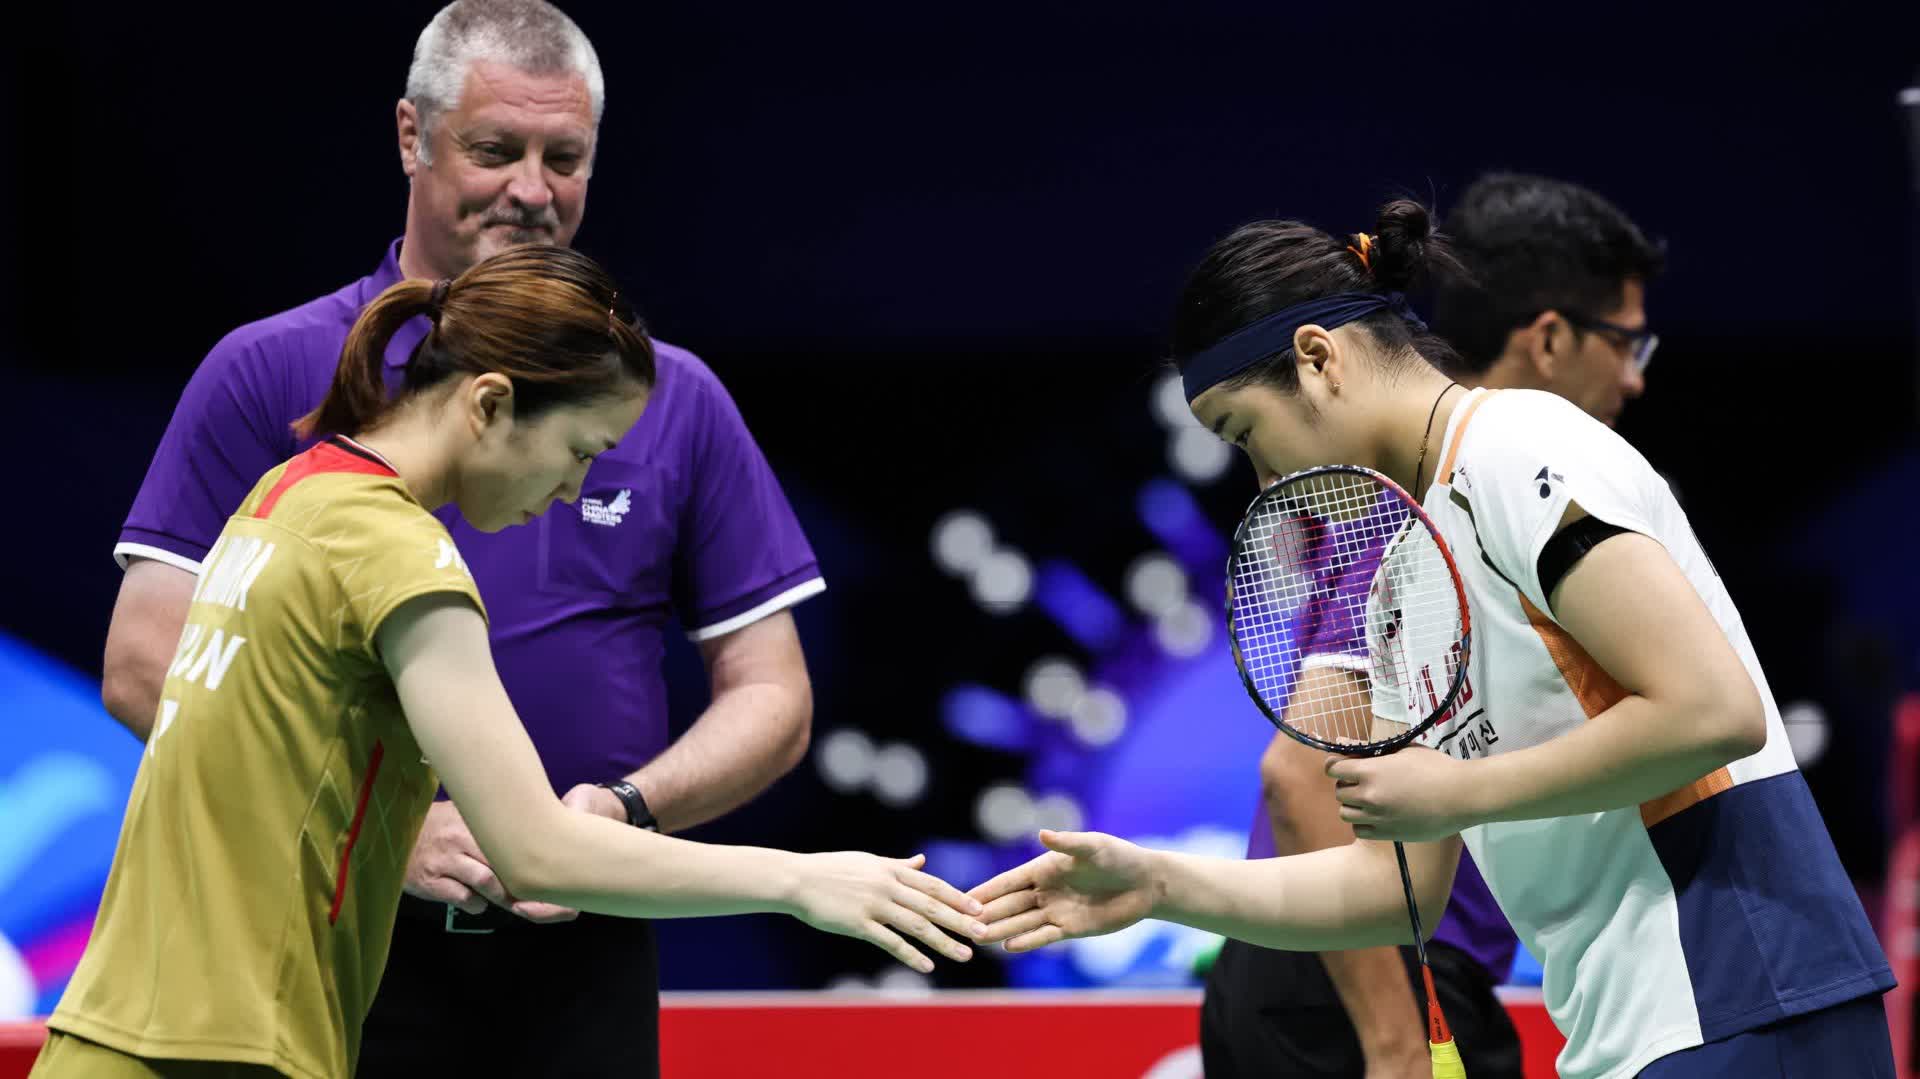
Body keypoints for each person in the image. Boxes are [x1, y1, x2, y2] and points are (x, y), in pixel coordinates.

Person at [974, 201, 1895, 1078]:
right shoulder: (1403, 578)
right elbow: (1391, 890)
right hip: (1628, 1026)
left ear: (1318, 357)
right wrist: (1158, 884)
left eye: (1247, 433)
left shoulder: (1517, 450)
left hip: (1746, 982)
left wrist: (1459, 788)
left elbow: (1712, 709)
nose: (1262, 482)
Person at [36, 247, 985, 1079]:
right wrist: (801, 881)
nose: (573, 489)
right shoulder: (397, 553)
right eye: (578, 451)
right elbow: (537, 851)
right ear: (490, 402)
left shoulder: (287, 497)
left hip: (111, 1029)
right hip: (226, 1049)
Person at [95, 3, 825, 1074]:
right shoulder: (287, 408)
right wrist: (397, 825)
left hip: (583, 943)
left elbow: (771, 694)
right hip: (328, 925)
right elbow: (146, 663)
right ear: (413, 136)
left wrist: (623, 810)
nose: (531, 188)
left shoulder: (666, 395)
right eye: (495, 149)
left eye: (563, 157)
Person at [1201, 172, 1666, 1079]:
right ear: (1548, 338)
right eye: (1624, 340)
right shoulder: (1415, 506)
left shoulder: (1479, 487)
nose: (1633, 375)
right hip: (1360, 991)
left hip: (1382, 970)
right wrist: (1394, 1041)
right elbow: (1301, 775)